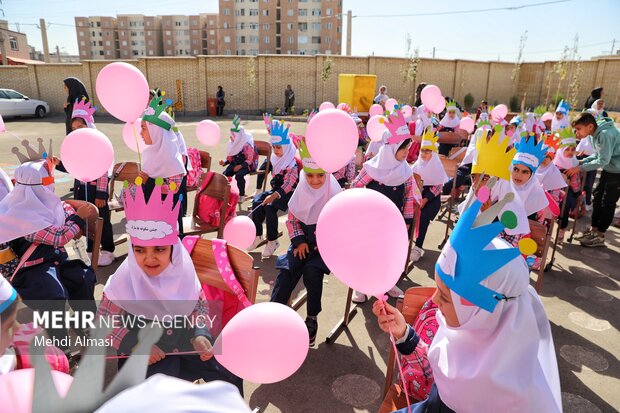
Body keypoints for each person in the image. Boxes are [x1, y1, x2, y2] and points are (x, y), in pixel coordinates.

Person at [374, 190, 562, 413]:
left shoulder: (518, 402)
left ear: (484, 312)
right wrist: (404, 334)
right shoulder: (466, 331)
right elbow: (434, 382)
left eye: (445, 297)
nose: (434, 300)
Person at [97, 180, 242, 392]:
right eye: (140, 250)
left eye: (159, 249)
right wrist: (135, 345)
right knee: (155, 398)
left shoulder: (182, 271)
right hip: (148, 357)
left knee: (228, 372)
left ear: (173, 249)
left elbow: (199, 306)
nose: (149, 258)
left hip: (187, 345)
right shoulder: (123, 281)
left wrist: (200, 332)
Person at [0, 159, 97, 362]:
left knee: (84, 277)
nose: (51, 184)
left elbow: (65, 211)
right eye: (47, 180)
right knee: (53, 296)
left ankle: (83, 325)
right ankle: (61, 349)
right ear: (35, 186)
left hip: (55, 262)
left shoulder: (46, 202)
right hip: (30, 270)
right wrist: (77, 218)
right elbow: (59, 236)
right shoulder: (20, 214)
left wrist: (72, 216)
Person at [270, 138, 342, 346]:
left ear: (327, 175)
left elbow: (337, 228)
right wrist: (299, 240)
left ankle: (312, 318)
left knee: (312, 273)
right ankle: (275, 312)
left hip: (322, 250)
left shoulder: (334, 194)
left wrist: (320, 244)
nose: (315, 180)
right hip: (300, 245)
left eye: (320, 175)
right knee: (286, 273)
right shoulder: (301, 189)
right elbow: (292, 220)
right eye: (310, 175)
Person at [350, 109, 418, 302]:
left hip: (392, 222)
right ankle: (360, 286)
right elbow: (356, 186)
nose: (407, 153)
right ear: (392, 147)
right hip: (369, 221)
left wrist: (406, 220)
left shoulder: (406, 172)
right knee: (365, 251)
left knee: (388, 255)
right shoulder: (372, 168)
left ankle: (387, 283)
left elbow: (408, 198)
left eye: (408, 148)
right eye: (403, 148)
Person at [52, 98, 115, 267]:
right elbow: (74, 167)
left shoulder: (97, 143)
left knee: (102, 220)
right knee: (87, 221)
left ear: (89, 125)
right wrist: (59, 164)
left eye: (80, 127)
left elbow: (104, 169)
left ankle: (108, 249)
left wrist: (102, 194)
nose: (77, 131)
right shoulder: (77, 145)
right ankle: (90, 249)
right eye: (73, 129)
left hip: (96, 192)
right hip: (82, 189)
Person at [135, 94, 187, 236]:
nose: (140, 133)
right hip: (151, 214)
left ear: (156, 131)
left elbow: (172, 190)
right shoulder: (149, 154)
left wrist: (148, 181)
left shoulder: (172, 160)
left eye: (144, 128)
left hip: (168, 218)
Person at [249, 115, 300, 259]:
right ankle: (258, 235)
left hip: (289, 192)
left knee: (270, 207)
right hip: (276, 190)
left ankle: (272, 241)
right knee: (257, 201)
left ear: (286, 146)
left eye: (279, 147)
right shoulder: (275, 158)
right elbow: (266, 171)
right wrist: (266, 193)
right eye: (274, 147)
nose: (276, 151)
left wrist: (273, 196)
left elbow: (289, 184)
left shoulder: (291, 163)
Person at [567, 112, 620, 248]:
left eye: (578, 129)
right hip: (610, 168)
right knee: (597, 196)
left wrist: (581, 167)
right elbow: (597, 154)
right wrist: (581, 161)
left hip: (617, 171)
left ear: (590, 126)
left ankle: (600, 235)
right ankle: (594, 230)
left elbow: (603, 160)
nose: (576, 132)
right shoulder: (594, 134)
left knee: (608, 202)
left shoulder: (604, 134)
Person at [410, 129, 448, 262]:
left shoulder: (437, 166)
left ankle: (418, 246)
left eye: (427, 150)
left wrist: (425, 199)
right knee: (409, 214)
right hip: (418, 195)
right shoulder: (416, 166)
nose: (424, 153)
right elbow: (412, 182)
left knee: (424, 217)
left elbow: (438, 186)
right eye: (422, 150)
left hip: (431, 198)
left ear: (433, 152)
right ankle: (407, 242)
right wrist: (418, 197)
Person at [552, 128, 581, 242]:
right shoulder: (554, 164)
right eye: (566, 149)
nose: (570, 152)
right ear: (561, 150)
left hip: (568, 193)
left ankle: (562, 229)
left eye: (572, 149)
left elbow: (575, 184)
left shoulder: (574, 163)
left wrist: (576, 190)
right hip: (553, 192)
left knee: (566, 204)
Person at [220, 115, 257, 199]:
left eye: (233, 135)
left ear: (239, 136)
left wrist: (240, 166)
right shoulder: (233, 143)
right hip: (234, 163)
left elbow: (250, 160)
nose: (231, 137)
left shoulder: (247, 145)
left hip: (245, 165)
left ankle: (242, 194)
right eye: (231, 135)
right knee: (224, 175)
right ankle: (225, 193)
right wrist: (224, 162)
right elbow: (230, 156)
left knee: (239, 176)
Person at [576, 131, 596, 211]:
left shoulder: (597, 136)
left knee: (589, 184)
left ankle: (587, 202)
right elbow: (579, 149)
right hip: (581, 158)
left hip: (592, 161)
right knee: (579, 183)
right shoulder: (584, 136)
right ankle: (578, 203)